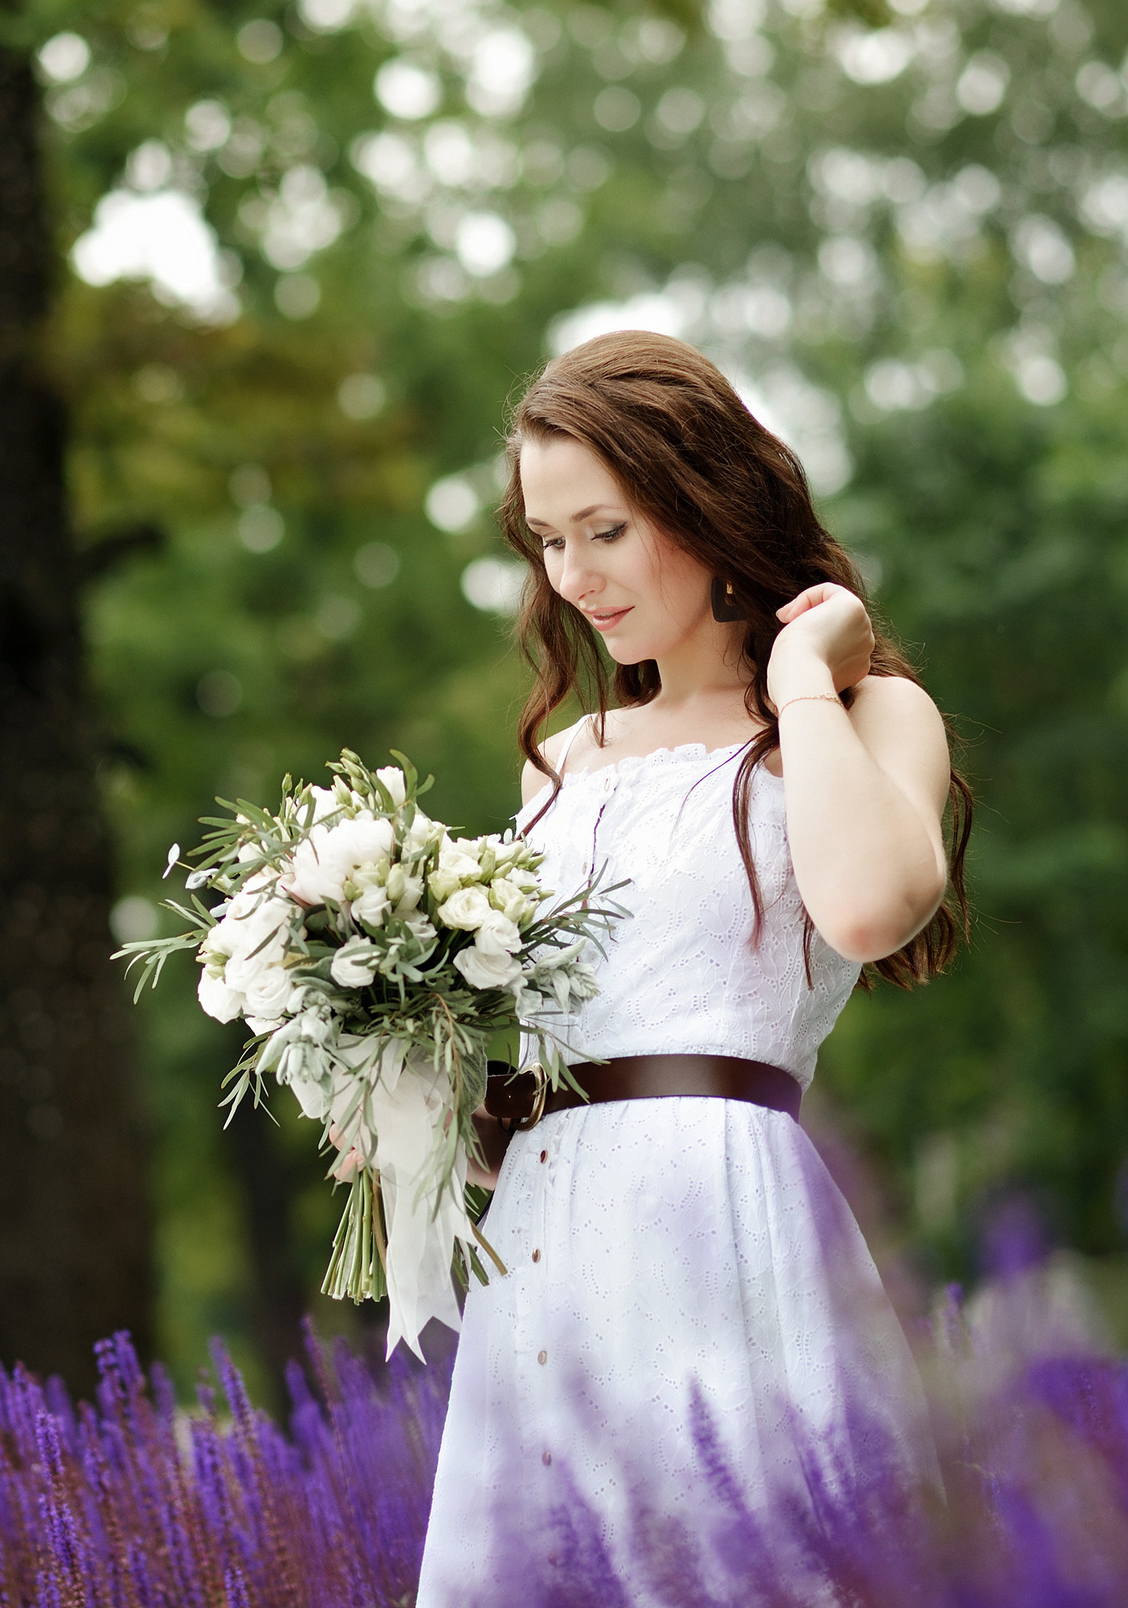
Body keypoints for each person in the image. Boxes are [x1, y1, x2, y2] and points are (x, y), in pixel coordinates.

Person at [414, 331, 971, 1604]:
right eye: (548, 541)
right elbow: (553, 1033)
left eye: (603, 529)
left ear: (698, 495)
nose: (573, 576)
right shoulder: (564, 760)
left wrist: (802, 686)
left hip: (720, 1211)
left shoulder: (864, 716)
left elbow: (874, 906)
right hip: (546, 1236)